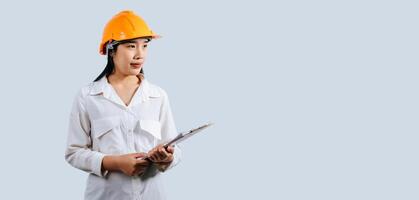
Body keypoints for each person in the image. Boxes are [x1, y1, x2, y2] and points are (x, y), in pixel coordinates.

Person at [65, 10, 181, 200]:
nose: (139, 54)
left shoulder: (158, 96)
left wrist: (167, 158)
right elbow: (73, 152)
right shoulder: (88, 97)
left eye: (145, 46)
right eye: (130, 46)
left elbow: (175, 149)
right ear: (111, 50)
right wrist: (115, 163)